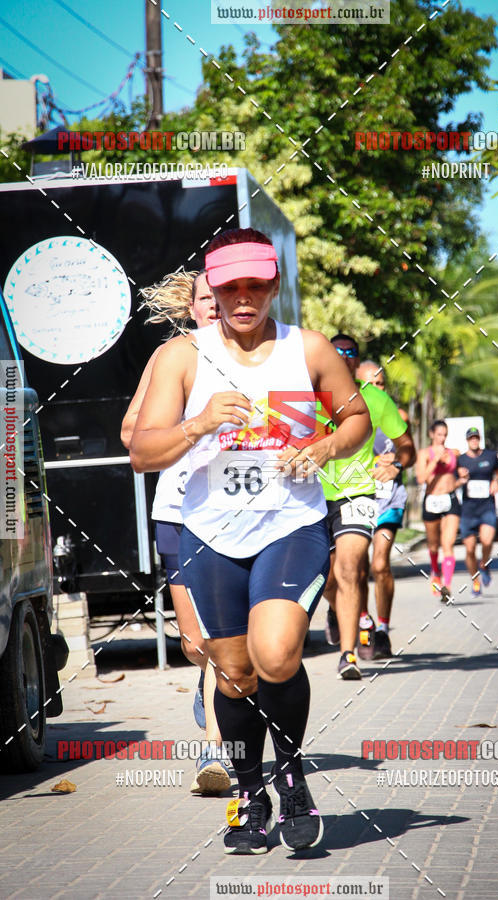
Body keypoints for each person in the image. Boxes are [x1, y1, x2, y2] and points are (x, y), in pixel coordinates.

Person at [129, 228, 371, 855]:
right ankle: (248, 794)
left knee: (278, 654)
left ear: (273, 284)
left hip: (289, 526)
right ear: (211, 286)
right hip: (210, 534)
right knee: (233, 674)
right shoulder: (183, 357)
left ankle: (291, 774)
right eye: (230, 286)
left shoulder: (309, 349)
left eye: (255, 284)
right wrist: (199, 422)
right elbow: (141, 452)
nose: (243, 297)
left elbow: (356, 419)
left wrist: (320, 447)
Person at [121, 268, 231, 795]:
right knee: (195, 644)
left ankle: (218, 751)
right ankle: (207, 679)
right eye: (206, 298)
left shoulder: (260, 354)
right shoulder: (174, 357)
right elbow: (131, 432)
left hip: (242, 513)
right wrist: (191, 423)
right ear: (191, 307)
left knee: (223, 641)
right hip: (179, 512)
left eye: (223, 295)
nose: (215, 305)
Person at [320, 336, 415, 677]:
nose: (344, 358)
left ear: (357, 361)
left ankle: (348, 655)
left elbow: (407, 446)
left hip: (358, 494)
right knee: (327, 580)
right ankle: (352, 613)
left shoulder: (375, 397)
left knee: (352, 569)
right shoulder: (307, 392)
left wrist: (396, 466)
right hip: (314, 497)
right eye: (337, 352)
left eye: (351, 353)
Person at [355, 360, 412, 657]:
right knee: (358, 568)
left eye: (381, 384)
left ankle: (384, 631)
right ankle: (364, 621)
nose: (377, 390)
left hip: (390, 499)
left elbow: (407, 449)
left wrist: (398, 462)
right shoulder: (350, 416)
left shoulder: (397, 415)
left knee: (380, 564)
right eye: (369, 385)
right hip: (359, 498)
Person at [416, 420, 462, 603]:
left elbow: (455, 476)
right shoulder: (424, 454)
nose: (442, 438)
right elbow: (421, 478)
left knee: (448, 543)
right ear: (432, 434)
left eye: (445, 434)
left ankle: (447, 586)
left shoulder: (453, 453)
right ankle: (435, 572)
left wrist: (462, 477)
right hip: (432, 500)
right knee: (433, 545)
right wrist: (435, 460)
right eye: (439, 434)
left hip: (450, 499)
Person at [457, 427, 498, 597]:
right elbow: (454, 478)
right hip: (468, 510)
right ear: (467, 440)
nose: (474, 441)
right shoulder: (461, 459)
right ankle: (475, 581)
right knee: (469, 550)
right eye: (471, 438)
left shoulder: (490, 456)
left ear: (480, 439)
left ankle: (484, 563)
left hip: (486, 507)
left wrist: (496, 481)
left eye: (476, 438)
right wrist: (459, 476)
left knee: (487, 541)